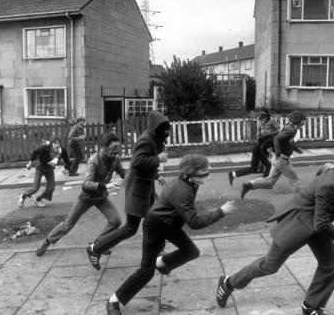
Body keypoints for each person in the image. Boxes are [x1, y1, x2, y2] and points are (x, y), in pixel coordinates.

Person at [216, 144, 334, 315]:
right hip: (298, 225)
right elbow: (321, 224)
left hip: (317, 225)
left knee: (332, 264)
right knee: (269, 265)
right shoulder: (330, 183)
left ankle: (311, 306)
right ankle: (229, 282)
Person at [105, 154, 237, 315]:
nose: (209, 171)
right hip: (155, 227)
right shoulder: (183, 190)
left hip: (170, 224)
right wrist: (220, 212)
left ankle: (161, 263)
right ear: (192, 173)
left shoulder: (189, 182)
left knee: (191, 252)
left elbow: (186, 208)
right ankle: (114, 300)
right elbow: (194, 223)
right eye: (204, 170)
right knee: (146, 272)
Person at [87, 110, 170, 270]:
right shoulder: (145, 140)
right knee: (130, 229)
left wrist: (156, 175)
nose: (166, 135)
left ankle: (157, 253)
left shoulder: (152, 138)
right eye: (164, 132)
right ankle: (95, 248)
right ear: (156, 128)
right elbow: (137, 162)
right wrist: (157, 159)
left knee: (157, 219)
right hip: (138, 192)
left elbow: (145, 164)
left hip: (146, 190)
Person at [36, 132, 126, 256]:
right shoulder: (94, 159)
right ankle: (46, 242)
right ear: (104, 146)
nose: (116, 151)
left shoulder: (115, 159)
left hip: (101, 197)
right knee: (68, 224)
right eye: (114, 148)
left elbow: (123, 173)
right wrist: (104, 185)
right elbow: (86, 184)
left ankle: (99, 245)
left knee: (116, 221)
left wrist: (145, 174)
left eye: (118, 148)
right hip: (87, 197)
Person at [240, 110, 307, 199]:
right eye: (303, 120)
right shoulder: (290, 129)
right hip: (282, 159)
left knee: (269, 182)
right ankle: (299, 202)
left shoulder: (291, 127)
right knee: (295, 180)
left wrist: (296, 149)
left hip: (277, 159)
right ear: (298, 120)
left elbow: (287, 141)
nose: (304, 122)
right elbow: (277, 139)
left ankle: (248, 185)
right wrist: (278, 152)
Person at [228, 107, 279, 185]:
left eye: (263, 115)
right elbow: (258, 132)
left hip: (261, 146)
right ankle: (264, 181)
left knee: (254, 168)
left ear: (267, 114)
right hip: (261, 146)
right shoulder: (259, 120)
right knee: (269, 165)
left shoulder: (271, 120)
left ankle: (233, 174)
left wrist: (268, 136)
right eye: (260, 115)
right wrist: (260, 138)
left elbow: (279, 130)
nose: (261, 118)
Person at [18, 137, 71, 208]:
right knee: (35, 188)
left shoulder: (62, 151)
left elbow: (67, 160)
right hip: (41, 168)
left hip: (50, 169)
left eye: (58, 143)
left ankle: (37, 200)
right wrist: (30, 163)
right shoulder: (45, 148)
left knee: (51, 188)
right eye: (55, 143)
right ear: (52, 144)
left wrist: (68, 169)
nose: (57, 145)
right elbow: (35, 152)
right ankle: (23, 196)